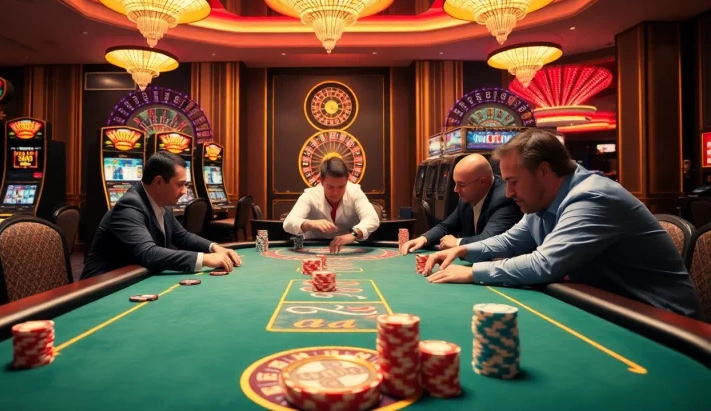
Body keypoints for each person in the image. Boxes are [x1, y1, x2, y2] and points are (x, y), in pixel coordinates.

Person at [422, 129, 701, 319]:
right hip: (614, 307)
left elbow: (545, 264)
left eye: (514, 182)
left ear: (544, 171)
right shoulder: (542, 201)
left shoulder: (592, 197)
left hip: (666, 322)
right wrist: (462, 251)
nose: (508, 193)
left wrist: (472, 273)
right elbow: (511, 240)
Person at [81, 151, 242, 279]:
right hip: (101, 287)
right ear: (159, 182)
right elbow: (148, 253)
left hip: (133, 277)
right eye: (180, 184)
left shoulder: (163, 205)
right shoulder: (129, 206)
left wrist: (214, 247)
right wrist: (205, 259)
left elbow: (182, 236)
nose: (185, 191)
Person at [400, 153, 521, 254]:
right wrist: (424, 238)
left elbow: (489, 240)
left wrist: (457, 242)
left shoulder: (505, 198)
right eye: (455, 183)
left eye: (461, 185)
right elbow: (446, 226)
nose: (456, 190)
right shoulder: (467, 197)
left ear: (482, 182)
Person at [283, 157, 380, 254]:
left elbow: (372, 218)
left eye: (341, 187)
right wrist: (309, 223)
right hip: (311, 246)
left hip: (347, 247)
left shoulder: (355, 192)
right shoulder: (310, 195)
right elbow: (288, 223)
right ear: (321, 181)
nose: (336, 192)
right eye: (330, 187)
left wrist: (353, 234)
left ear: (347, 181)